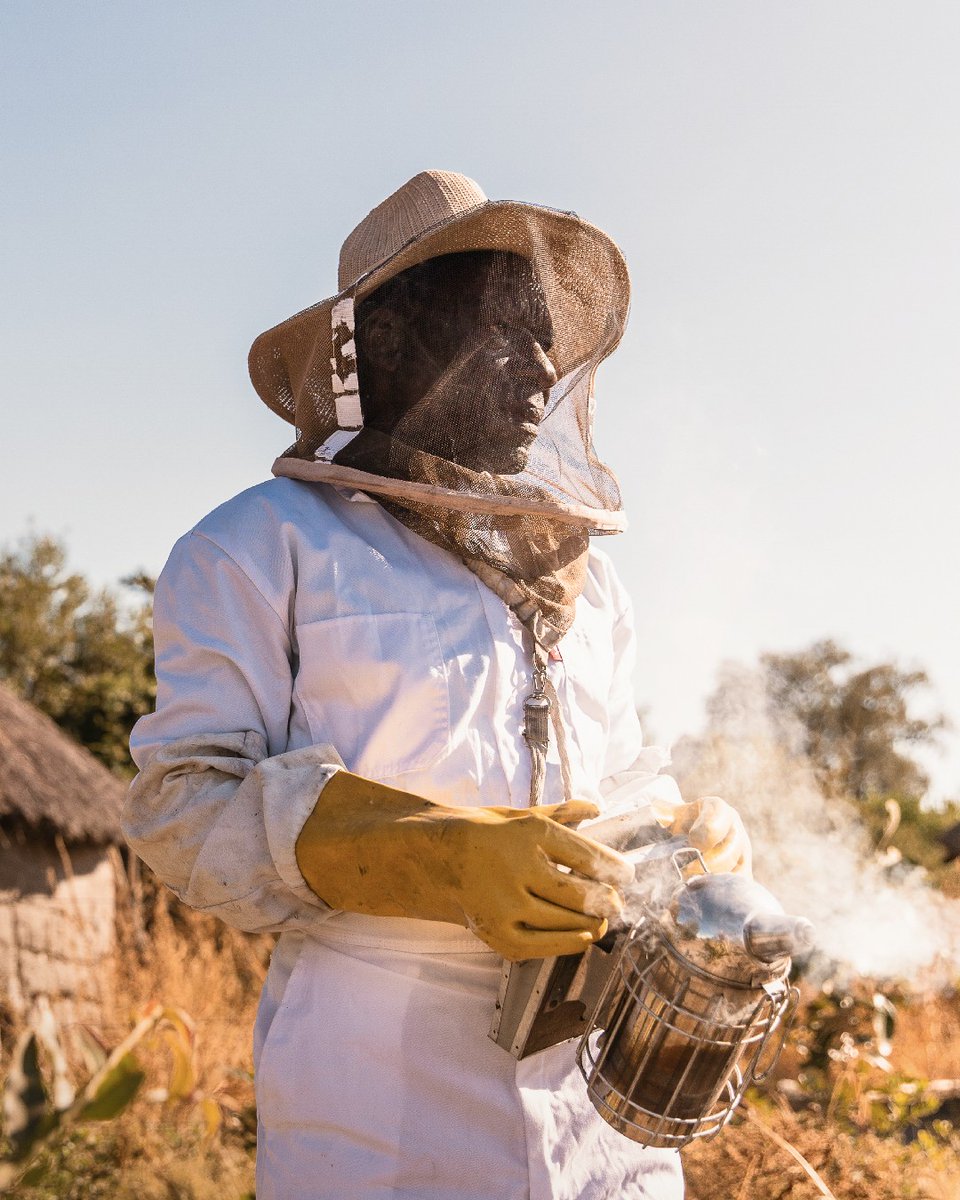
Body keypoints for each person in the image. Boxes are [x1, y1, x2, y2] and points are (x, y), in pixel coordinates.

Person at [124, 170, 751, 1200]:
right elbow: (183, 805)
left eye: (549, 341)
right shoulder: (260, 546)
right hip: (381, 1122)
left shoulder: (589, 586)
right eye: (505, 333)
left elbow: (624, 778)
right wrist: (446, 858)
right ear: (391, 342)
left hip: (606, 1126)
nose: (540, 369)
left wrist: (685, 833)